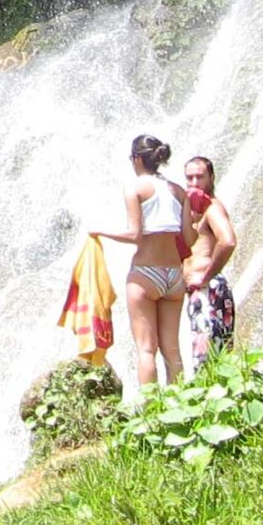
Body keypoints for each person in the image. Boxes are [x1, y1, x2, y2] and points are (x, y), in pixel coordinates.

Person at [89, 134, 190, 389]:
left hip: (146, 273)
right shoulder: (179, 191)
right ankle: (183, 406)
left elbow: (134, 234)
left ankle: (150, 411)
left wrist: (99, 231)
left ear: (136, 159)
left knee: (146, 349)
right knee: (172, 350)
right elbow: (189, 238)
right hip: (174, 276)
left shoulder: (134, 188)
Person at [182, 154, 239, 368]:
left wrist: (206, 277)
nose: (194, 183)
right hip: (199, 292)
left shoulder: (211, 207)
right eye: (189, 178)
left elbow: (228, 241)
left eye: (200, 177)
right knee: (210, 356)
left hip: (209, 290)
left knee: (208, 358)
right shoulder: (192, 212)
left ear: (212, 178)